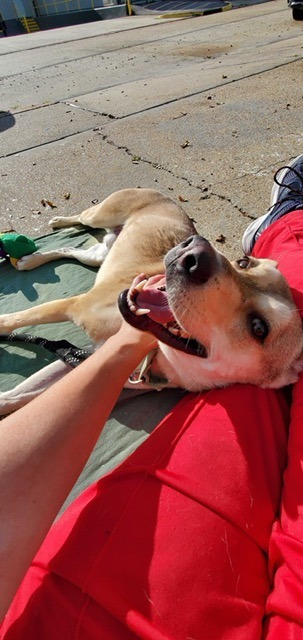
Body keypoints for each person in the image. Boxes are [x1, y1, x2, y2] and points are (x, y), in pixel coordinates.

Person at [2, 155, 303, 639]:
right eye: (243, 264)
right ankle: (283, 229)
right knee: (94, 224)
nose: (217, 261)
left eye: (256, 324)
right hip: (148, 216)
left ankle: (285, 226)